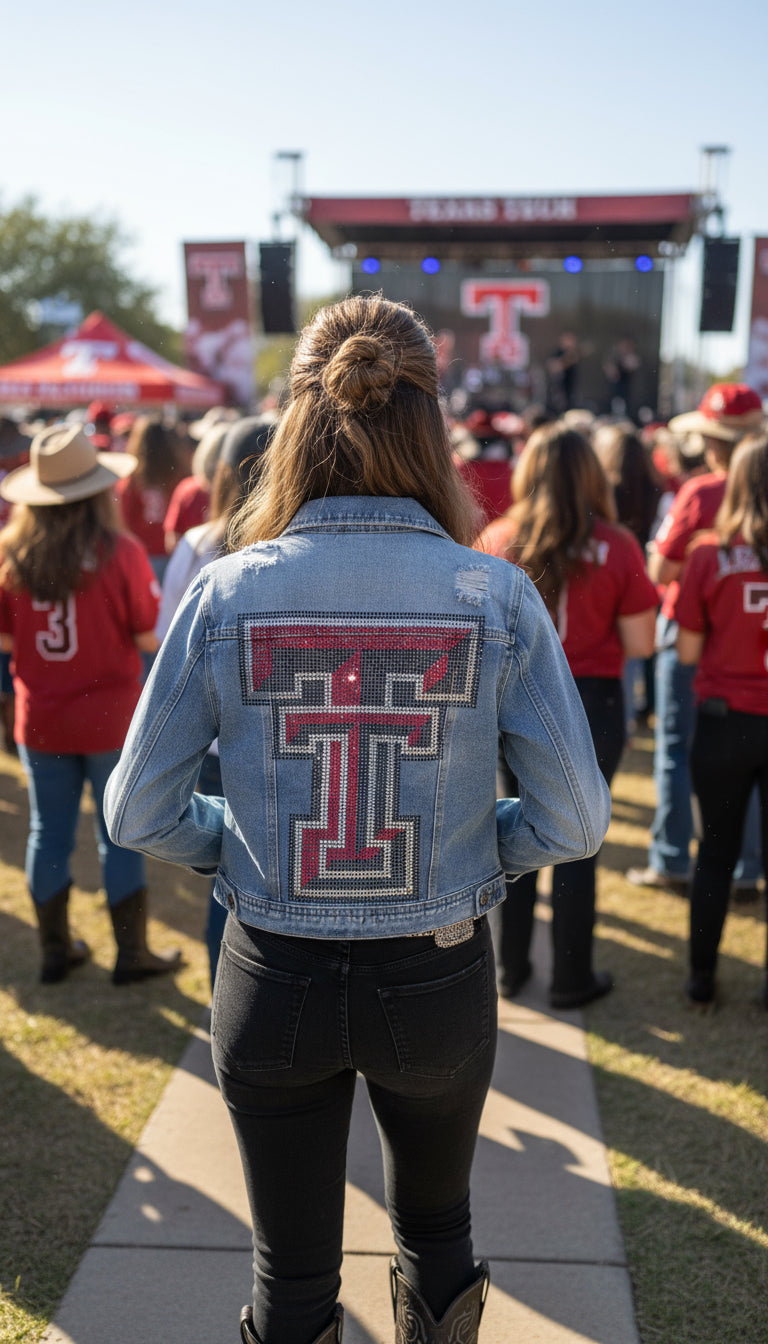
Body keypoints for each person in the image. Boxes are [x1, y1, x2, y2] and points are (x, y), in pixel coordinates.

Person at [104, 295, 611, 1344]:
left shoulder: (226, 592)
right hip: (435, 967)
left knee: (287, 1272)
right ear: (432, 426)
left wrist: (231, 850)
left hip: (271, 965)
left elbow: (137, 809)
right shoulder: (496, 595)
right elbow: (573, 818)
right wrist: (481, 861)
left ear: (295, 423)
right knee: (437, 1232)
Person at [478, 423, 657, 1006]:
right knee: (582, 836)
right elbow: (642, 644)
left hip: (516, 700)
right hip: (592, 701)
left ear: (530, 470)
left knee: (515, 826)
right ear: (590, 475)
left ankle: (509, 968)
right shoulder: (619, 544)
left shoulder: (498, 538)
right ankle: (570, 979)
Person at [0, 424, 182, 986]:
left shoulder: (11, 553)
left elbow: (6, 640)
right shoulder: (120, 551)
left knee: (46, 833)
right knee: (118, 833)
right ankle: (131, 955)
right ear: (99, 489)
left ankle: (56, 951)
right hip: (109, 718)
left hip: (42, 718)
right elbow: (148, 634)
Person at [628, 383, 765, 893]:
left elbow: (660, 568)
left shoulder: (702, 491)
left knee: (676, 749)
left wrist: (710, 566)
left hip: (693, 631)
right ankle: (747, 868)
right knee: (751, 749)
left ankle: (672, 859)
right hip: (753, 642)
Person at [156, 414, 275, 988]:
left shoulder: (199, 545)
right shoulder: (287, 548)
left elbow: (163, 638)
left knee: (224, 873)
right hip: (277, 737)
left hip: (214, 742)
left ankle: (224, 991)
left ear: (223, 473)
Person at [676, 431, 768, 1007]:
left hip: (723, 721)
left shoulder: (709, 554)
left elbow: (685, 652)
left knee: (715, 852)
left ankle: (701, 979)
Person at [114, 415, 186, 583]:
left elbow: (122, 524)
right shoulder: (177, 476)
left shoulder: (130, 480)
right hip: (174, 556)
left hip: (141, 557)